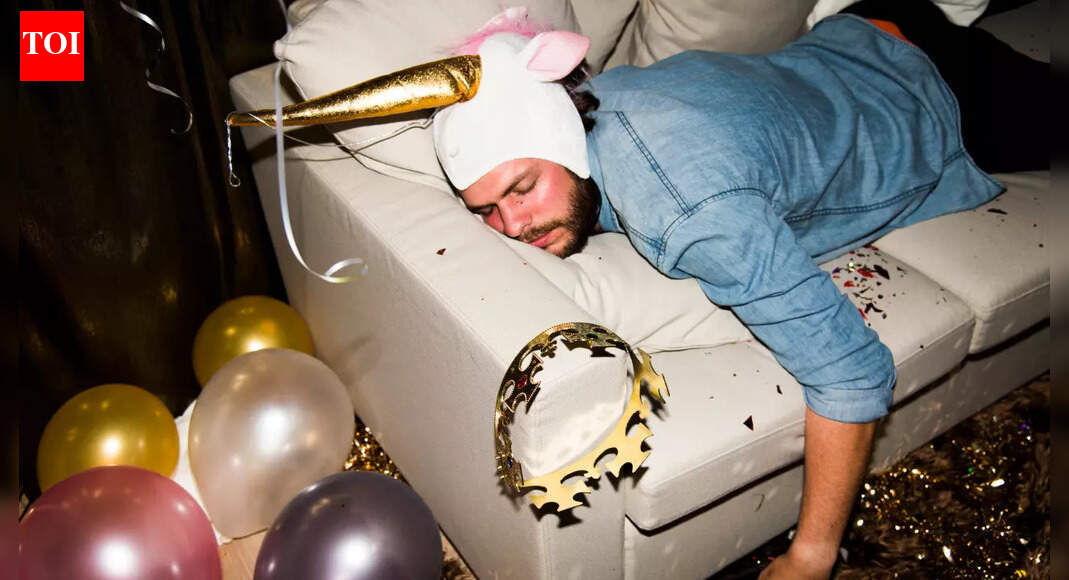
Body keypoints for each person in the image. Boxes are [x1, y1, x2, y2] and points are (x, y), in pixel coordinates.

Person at [436, 3, 1046, 579]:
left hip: (942, 93)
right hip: (860, 26)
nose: (514, 226)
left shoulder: (684, 208)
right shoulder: (600, 99)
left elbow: (852, 374)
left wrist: (810, 558)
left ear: (561, 137)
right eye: (486, 208)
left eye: (522, 188)